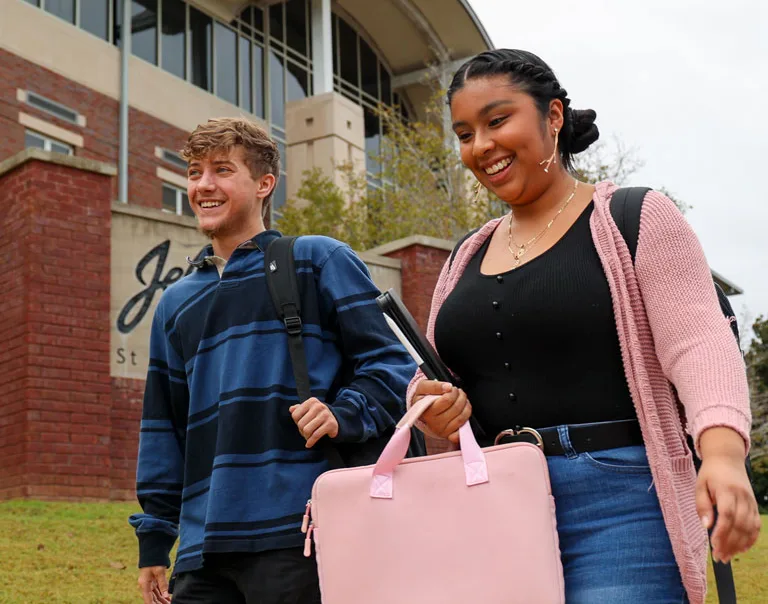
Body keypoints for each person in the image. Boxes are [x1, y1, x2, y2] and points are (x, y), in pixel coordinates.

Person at [408, 49, 760, 604]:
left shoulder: (636, 217)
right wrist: (434, 407)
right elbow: (436, 383)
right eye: (464, 132)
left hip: (622, 506)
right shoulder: (462, 258)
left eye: (497, 121)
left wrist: (720, 454)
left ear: (552, 117)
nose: (480, 146)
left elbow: (699, 345)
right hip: (493, 508)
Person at [129, 117, 415, 604]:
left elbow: (394, 368)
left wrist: (343, 413)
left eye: (222, 170)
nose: (203, 185)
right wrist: (156, 538)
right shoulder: (176, 303)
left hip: (300, 532)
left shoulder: (317, 261)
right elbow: (164, 428)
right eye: (195, 172)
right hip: (202, 552)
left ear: (264, 184)